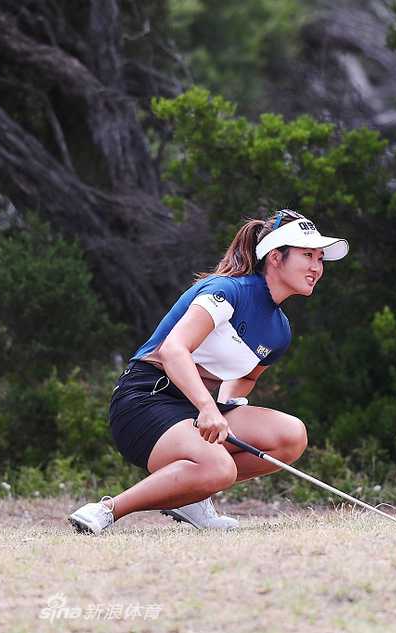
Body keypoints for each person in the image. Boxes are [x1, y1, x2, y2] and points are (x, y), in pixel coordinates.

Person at [69, 209, 348, 533]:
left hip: (193, 410)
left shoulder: (280, 331)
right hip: (144, 400)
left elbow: (245, 378)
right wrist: (206, 408)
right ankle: (108, 510)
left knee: (291, 436)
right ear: (275, 257)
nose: (317, 267)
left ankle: (192, 494)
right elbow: (173, 351)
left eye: (320, 258)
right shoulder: (227, 291)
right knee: (220, 467)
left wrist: (221, 406)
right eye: (308, 255)